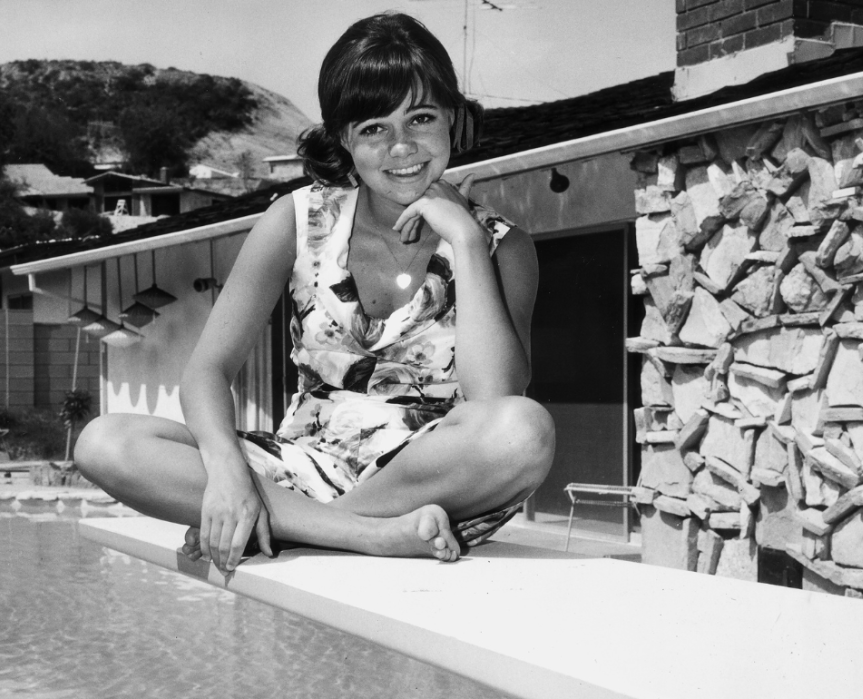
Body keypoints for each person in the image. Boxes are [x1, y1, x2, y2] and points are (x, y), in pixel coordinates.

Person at [75, 12, 554, 572]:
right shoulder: (298, 219)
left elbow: (496, 397)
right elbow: (206, 372)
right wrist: (230, 478)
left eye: (421, 118)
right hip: (299, 468)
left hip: (428, 485)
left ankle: (301, 529)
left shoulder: (502, 247)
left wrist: (467, 242)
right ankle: (360, 534)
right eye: (374, 128)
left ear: (452, 119)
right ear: (345, 140)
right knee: (105, 442)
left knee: (523, 430)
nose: (402, 147)